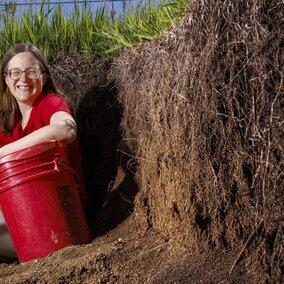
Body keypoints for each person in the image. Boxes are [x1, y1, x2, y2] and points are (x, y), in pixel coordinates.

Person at [0, 43, 87, 260]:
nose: (23, 79)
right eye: (16, 72)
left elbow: (66, 129)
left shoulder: (50, 103)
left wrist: (5, 152)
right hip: (22, 215)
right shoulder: (8, 122)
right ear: (5, 78)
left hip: (62, 221)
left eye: (32, 71)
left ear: (44, 77)